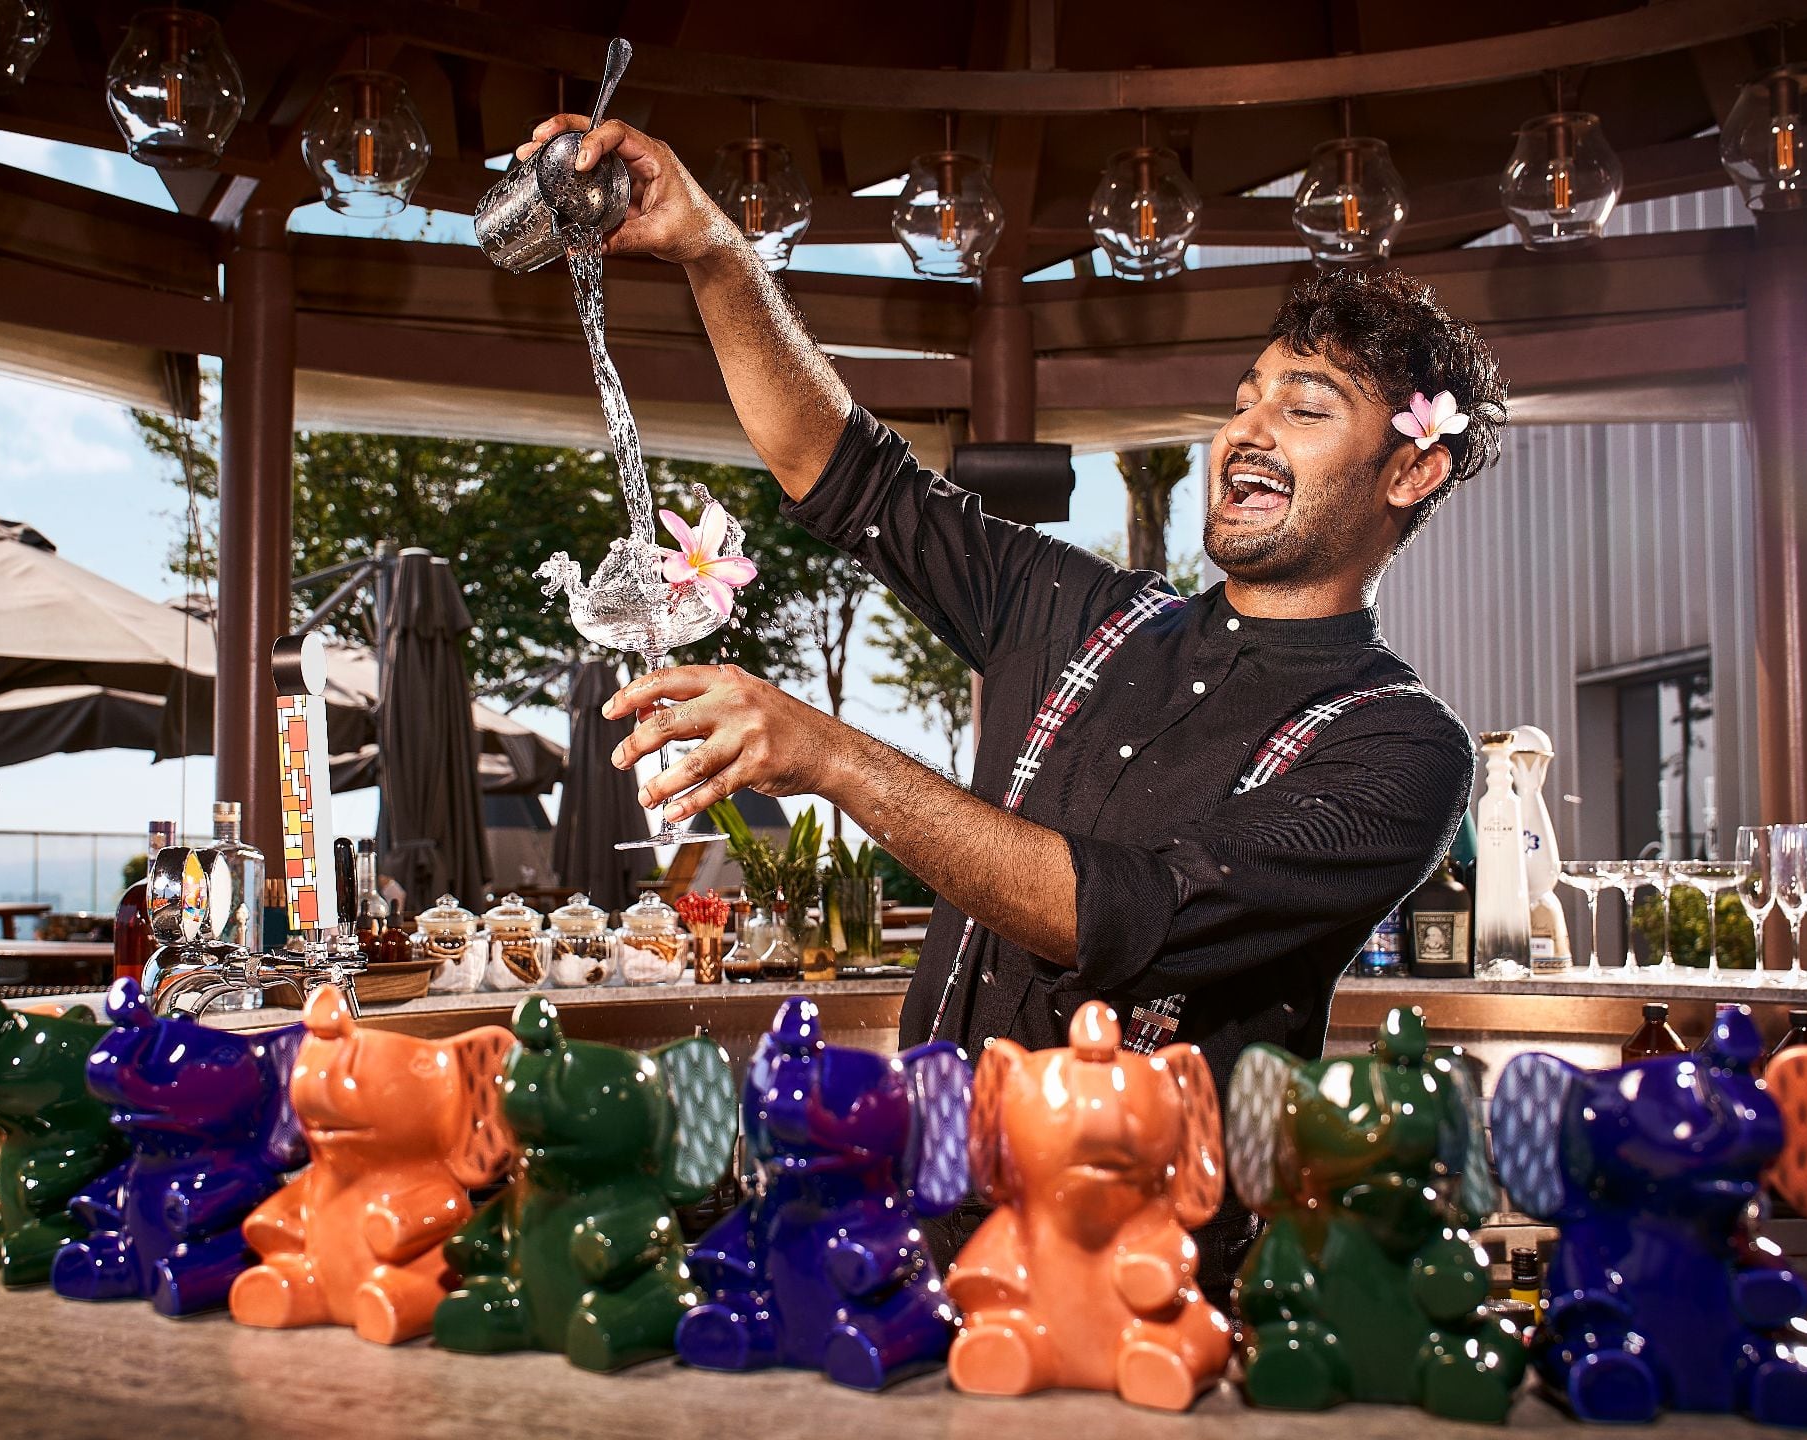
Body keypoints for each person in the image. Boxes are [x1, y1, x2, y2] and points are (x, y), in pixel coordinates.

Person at [524, 117, 1505, 1290]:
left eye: (1304, 406)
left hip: (1144, 1268)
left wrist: (830, 755)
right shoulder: (1083, 610)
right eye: (1245, 396)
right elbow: (836, 467)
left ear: (1410, 468)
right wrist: (714, 252)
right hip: (929, 1210)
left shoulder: (1399, 749)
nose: (1243, 426)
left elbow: (1116, 919)